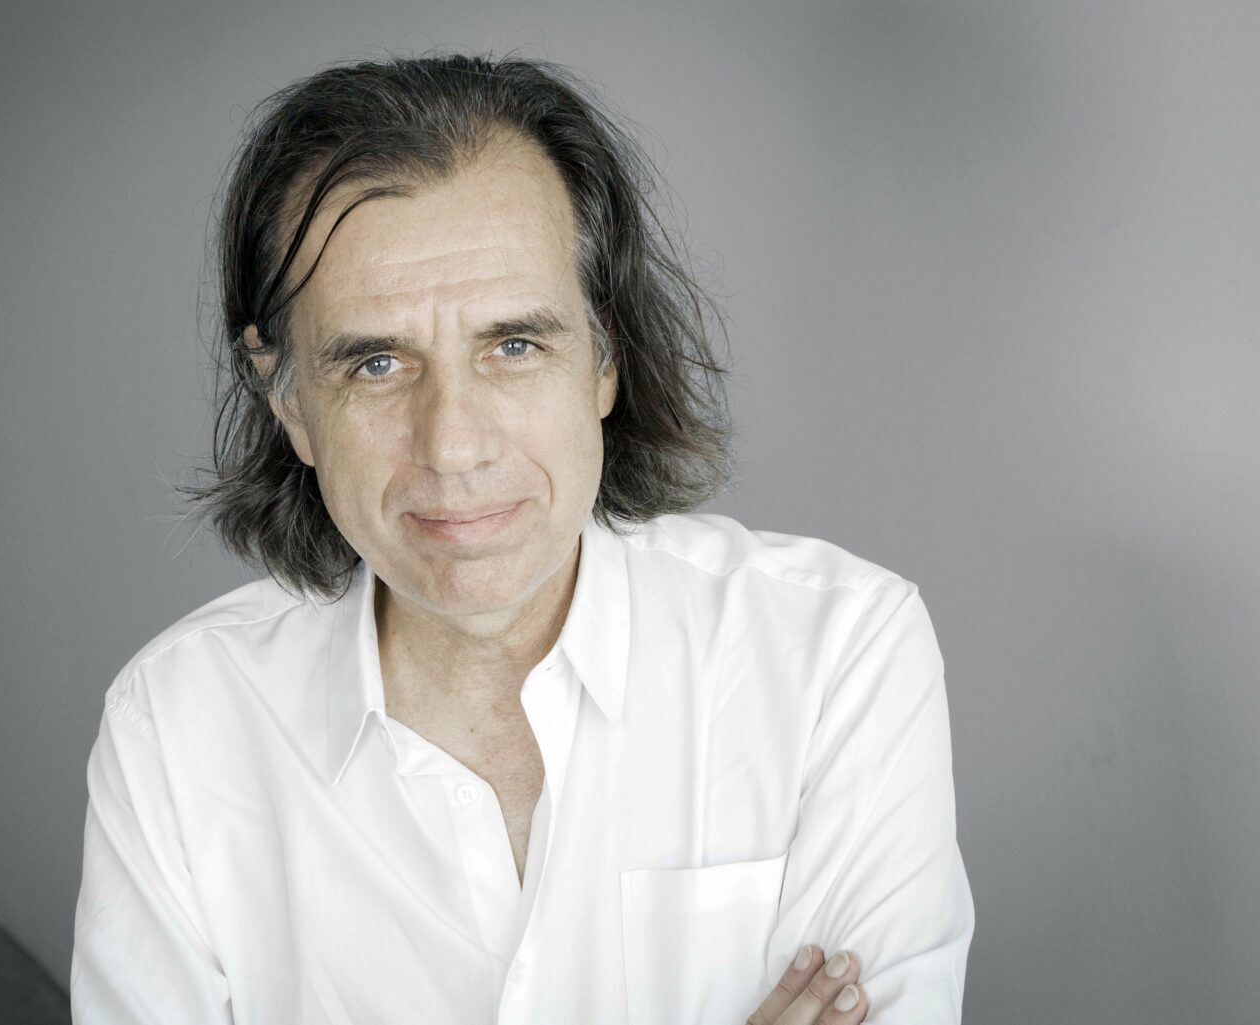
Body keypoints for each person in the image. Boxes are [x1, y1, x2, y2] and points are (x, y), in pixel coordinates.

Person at [70, 54, 974, 1025]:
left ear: (605, 357)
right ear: (287, 397)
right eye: (376, 363)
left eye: (513, 345)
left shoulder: (837, 656)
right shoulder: (175, 729)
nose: (453, 445)